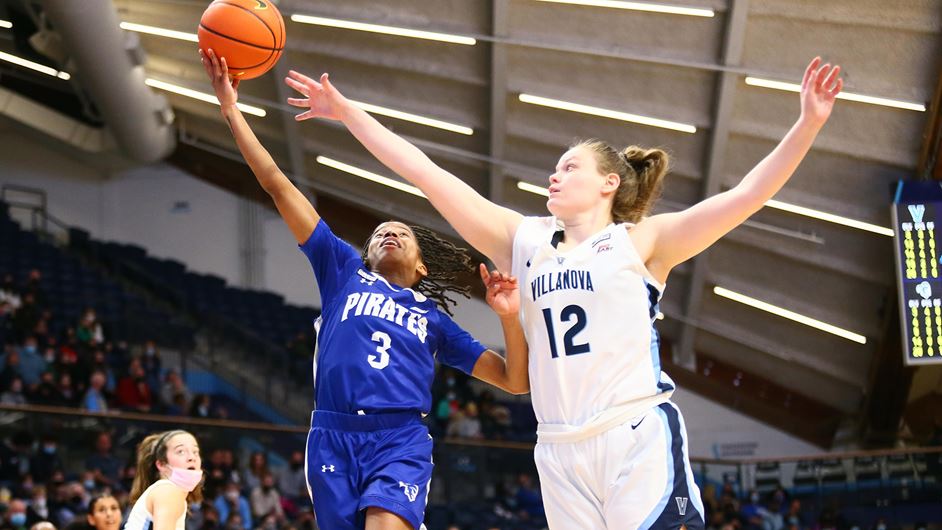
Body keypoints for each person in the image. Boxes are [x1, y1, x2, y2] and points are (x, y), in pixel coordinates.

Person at [285, 57, 843, 529]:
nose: (554, 175)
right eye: (554, 168)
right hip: (557, 449)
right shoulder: (522, 240)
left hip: (633, 432)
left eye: (568, 166)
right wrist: (347, 112)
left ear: (610, 183)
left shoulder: (640, 241)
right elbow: (429, 175)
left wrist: (809, 125)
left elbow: (745, 197)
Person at [201, 48, 528, 530]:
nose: (388, 233)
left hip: (400, 437)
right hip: (333, 433)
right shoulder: (341, 270)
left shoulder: (434, 320)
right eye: (379, 232)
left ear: (420, 267)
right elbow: (276, 184)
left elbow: (516, 381)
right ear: (367, 252)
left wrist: (508, 316)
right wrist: (231, 108)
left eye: (402, 233)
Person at [125, 430, 203, 530]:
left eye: (195, 452)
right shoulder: (167, 491)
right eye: (181, 451)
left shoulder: (169, 492)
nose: (192, 457)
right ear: (161, 464)